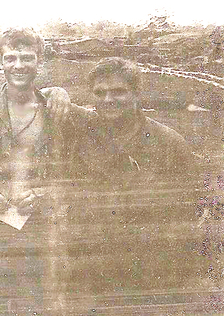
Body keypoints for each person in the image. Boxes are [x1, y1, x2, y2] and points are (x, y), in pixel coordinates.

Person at [60, 57, 200, 311]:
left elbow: (189, 216)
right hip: (91, 271)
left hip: (149, 273)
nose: (108, 99)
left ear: (136, 94)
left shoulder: (169, 144)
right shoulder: (79, 136)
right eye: (99, 93)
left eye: (118, 92)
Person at [0, 26, 75, 316]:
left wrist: (43, 194)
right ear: (0, 62)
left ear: (40, 62)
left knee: (34, 306)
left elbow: (71, 171)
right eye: (10, 58)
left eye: (27, 58)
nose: (18, 65)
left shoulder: (54, 110)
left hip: (35, 229)